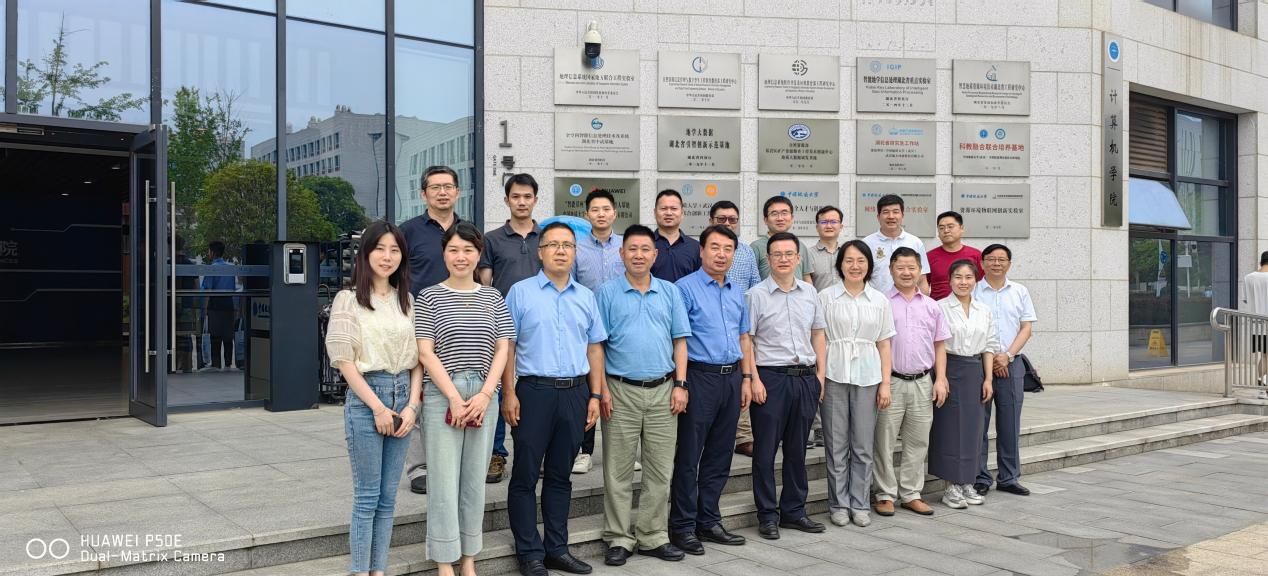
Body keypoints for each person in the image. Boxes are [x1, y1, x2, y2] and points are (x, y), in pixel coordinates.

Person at [501, 222, 607, 576]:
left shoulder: (586, 297)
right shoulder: (520, 293)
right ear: (540, 251)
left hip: (576, 393)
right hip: (534, 392)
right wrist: (509, 392)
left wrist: (595, 394)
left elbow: (594, 348)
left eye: (568, 245)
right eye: (553, 245)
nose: (561, 251)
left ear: (575, 253)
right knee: (526, 475)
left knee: (561, 475)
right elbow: (508, 347)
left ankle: (557, 549)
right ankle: (529, 552)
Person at [416, 222, 515, 576]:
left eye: (468, 250)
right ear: (444, 253)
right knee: (443, 482)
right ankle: (445, 562)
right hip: (442, 394)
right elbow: (425, 352)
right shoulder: (428, 297)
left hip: (484, 394)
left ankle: (469, 558)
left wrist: (487, 393)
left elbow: (503, 347)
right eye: (454, 250)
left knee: (474, 481)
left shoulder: (493, 297)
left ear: (478, 254)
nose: (461, 257)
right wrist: (454, 398)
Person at [324, 221, 421, 576]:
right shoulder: (348, 299)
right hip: (368, 398)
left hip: (403, 396)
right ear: (365, 254)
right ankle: (359, 570)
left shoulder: (406, 300)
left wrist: (412, 407)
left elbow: (418, 360)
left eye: (394, 250)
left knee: (388, 497)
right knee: (367, 496)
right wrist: (379, 408)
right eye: (379, 248)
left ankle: (378, 569)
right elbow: (344, 362)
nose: (387, 256)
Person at [596, 224, 691, 567]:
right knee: (617, 471)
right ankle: (618, 537)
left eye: (645, 249)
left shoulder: (670, 292)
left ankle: (653, 536)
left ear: (655, 254)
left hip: (664, 391)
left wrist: (681, 385)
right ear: (621, 254)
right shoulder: (606, 293)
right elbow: (597, 346)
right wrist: (601, 390)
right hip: (619, 391)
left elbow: (680, 341)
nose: (638, 255)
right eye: (632, 249)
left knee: (660, 469)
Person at [669, 225, 753, 555]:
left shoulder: (736, 291)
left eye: (727, 249)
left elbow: (744, 337)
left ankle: (709, 519)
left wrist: (746, 378)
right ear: (701, 251)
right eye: (715, 247)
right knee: (690, 455)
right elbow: (679, 339)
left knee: (720, 454)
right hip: (699, 378)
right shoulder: (684, 289)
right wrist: (681, 383)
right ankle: (682, 525)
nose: (721, 254)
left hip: (731, 378)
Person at [745, 232, 828, 540]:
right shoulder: (756, 295)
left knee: (797, 450)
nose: (783, 259)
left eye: (788, 254)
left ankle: (794, 511)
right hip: (771, 379)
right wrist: (753, 378)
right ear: (768, 259)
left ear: (798, 259)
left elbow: (818, 333)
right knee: (765, 452)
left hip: (805, 378)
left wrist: (820, 376)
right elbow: (747, 340)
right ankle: (767, 514)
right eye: (777, 254)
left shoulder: (810, 293)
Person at [818, 239, 895, 528]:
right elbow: (819, 339)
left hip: (868, 377)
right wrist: (819, 377)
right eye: (848, 260)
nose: (855, 266)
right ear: (840, 265)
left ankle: (860, 503)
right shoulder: (826, 297)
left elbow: (884, 344)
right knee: (836, 444)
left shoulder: (879, 300)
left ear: (869, 265)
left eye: (861, 260)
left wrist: (885, 383)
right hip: (834, 375)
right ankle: (838, 503)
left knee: (862, 445)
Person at [400, 165, 464, 495]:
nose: (442, 192)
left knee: (454, 388)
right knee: (419, 392)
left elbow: (481, 275)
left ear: (457, 192)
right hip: (418, 321)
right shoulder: (408, 232)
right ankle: (419, 467)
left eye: (448, 186)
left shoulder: (467, 230)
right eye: (435, 187)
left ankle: (450, 462)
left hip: (459, 322)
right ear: (423, 193)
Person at [873, 246, 949, 518]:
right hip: (890, 381)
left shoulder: (932, 306)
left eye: (912, 267)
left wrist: (940, 379)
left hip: (922, 382)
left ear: (920, 271)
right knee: (884, 441)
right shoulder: (881, 302)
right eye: (900, 267)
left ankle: (911, 493)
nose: (906, 272)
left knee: (918, 441)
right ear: (891, 270)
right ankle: (884, 494)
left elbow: (939, 345)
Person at [477, 172, 543, 484]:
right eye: (515, 196)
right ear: (506, 200)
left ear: (535, 200)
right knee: (501, 388)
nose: (521, 202)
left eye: (527, 196)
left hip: (540, 325)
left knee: (534, 388)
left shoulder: (546, 237)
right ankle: (496, 453)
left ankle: (534, 452)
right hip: (501, 325)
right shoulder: (491, 240)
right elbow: (485, 283)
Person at [932, 260, 998, 510]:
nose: (963, 282)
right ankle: (950, 486)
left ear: (975, 280)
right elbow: (937, 344)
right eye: (958, 277)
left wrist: (988, 379)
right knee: (949, 430)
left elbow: (989, 345)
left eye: (968, 277)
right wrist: (941, 377)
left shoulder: (984, 310)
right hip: (949, 368)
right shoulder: (940, 307)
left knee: (973, 429)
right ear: (949, 280)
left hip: (975, 371)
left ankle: (968, 482)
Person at [973, 244, 1037, 498]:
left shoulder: (1019, 291)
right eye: (991, 259)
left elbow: (1026, 328)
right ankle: (980, 477)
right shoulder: (973, 290)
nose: (996, 263)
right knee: (978, 424)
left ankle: (1009, 477)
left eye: (1002, 259)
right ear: (982, 263)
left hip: (1012, 364)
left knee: (1010, 424)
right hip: (980, 364)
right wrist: (991, 360)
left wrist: (1007, 356)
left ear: (1009, 264)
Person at [572, 188, 626, 474]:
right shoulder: (577, 248)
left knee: (619, 386)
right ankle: (584, 450)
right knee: (590, 386)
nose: (601, 214)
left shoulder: (625, 246)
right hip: (587, 328)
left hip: (621, 325)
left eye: (606, 209)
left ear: (614, 213)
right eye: (595, 210)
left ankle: (622, 450)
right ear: (587, 215)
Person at [863, 194, 930, 294]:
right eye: (886, 212)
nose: (891, 216)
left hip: (908, 301)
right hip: (876, 302)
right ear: (878, 217)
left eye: (895, 212)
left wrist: (924, 301)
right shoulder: (867, 244)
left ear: (902, 215)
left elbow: (922, 280)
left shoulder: (915, 242)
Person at [751, 196, 813, 282]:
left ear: (792, 218)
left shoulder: (800, 245)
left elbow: (806, 277)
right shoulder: (755, 247)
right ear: (765, 220)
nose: (780, 218)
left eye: (784, 213)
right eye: (774, 214)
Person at [926, 211, 983, 301]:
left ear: (961, 228)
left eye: (950, 226)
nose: (946, 231)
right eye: (941, 228)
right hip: (938, 307)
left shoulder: (976, 255)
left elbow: (982, 284)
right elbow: (923, 285)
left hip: (969, 306)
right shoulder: (929, 257)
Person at [651, 189, 702, 282]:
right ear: (655, 212)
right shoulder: (645, 245)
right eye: (663, 208)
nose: (669, 213)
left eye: (674, 209)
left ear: (682, 213)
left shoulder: (696, 247)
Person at [709, 201, 761, 292]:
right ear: (711, 221)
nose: (727, 223)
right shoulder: (702, 250)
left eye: (732, 219)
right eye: (721, 219)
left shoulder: (747, 251)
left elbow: (755, 283)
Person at [202, 240, 237, 370]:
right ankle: (228, 364)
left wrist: (205, 309)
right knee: (228, 336)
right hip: (229, 304)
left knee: (215, 336)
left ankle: (216, 365)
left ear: (212, 252)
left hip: (215, 304)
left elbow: (208, 290)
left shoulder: (211, 268)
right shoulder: (230, 267)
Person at [1243, 251, 1268, 385]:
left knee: (1264, 355)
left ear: (1260, 262)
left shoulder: (1248, 278)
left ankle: (1261, 380)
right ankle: (1263, 382)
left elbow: (1246, 300)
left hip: (1256, 325)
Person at [807, 206, 844, 293]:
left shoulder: (847, 252)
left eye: (833, 222)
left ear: (841, 226)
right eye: (824, 222)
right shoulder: (808, 254)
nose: (828, 226)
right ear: (817, 227)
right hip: (818, 301)